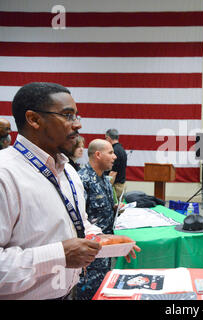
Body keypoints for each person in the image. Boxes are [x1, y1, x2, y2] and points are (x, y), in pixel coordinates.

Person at [0, 82, 139, 300]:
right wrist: (59, 255)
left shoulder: (69, 172)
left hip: (70, 292)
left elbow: (79, 224)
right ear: (34, 119)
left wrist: (106, 241)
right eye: (67, 115)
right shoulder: (5, 174)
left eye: (76, 116)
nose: (77, 125)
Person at [76, 139, 117, 300]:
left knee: (102, 291)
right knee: (89, 293)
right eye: (111, 153)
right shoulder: (82, 179)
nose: (115, 157)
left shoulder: (104, 179)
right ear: (98, 155)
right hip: (90, 254)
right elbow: (79, 218)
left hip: (105, 249)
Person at [105, 128, 127, 199]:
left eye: (106, 138)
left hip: (116, 186)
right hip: (121, 184)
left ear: (108, 138)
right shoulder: (121, 149)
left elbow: (113, 173)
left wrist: (107, 188)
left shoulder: (114, 151)